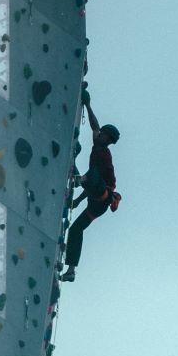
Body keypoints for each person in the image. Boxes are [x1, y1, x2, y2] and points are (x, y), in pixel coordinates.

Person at [60, 95, 121, 280]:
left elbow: (95, 179)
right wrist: (87, 104)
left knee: (92, 173)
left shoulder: (104, 155)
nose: (99, 134)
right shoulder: (98, 145)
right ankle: (71, 271)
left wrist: (79, 195)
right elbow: (95, 126)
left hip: (103, 196)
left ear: (108, 139)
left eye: (103, 134)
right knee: (76, 230)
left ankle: (78, 178)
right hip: (96, 198)